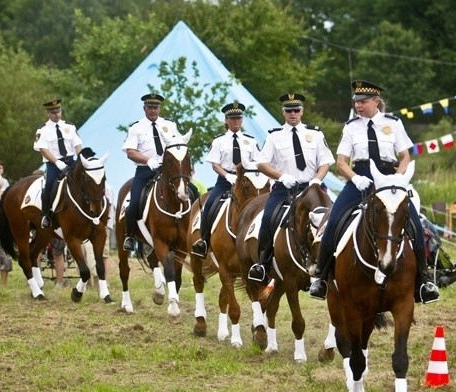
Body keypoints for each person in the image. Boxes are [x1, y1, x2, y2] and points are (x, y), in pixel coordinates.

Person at [308, 81, 439, 303]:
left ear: (376, 102)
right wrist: (355, 178)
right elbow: (341, 162)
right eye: (356, 102)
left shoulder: (394, 124)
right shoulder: (350, 127)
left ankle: (423, 281)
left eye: (363, 102)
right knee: (333, 222)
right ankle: (321, 277)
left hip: (389, 180)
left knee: (416, 225)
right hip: (359, 179)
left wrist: (398, 176)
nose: (359, 106)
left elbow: (405, 156)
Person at [248, 92, 334, 284]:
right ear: (283, 113)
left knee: (332, 219)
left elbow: (326, 162)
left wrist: (317, 180)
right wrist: (281, 176)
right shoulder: (274, 136)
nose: (293, 114)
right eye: (289, 111)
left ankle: (331, 263)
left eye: (296, 110)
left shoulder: (315, 134)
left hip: (312, 188)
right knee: (268, 217)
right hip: (284, 188)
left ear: (302, 112)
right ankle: (263, 263)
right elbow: (262, 163)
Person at [191, 101, 259, 258]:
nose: (236, 121)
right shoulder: (219, 141)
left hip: (247, 182)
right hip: (225, 180)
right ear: (226, 120)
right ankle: (204, 241)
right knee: (210, 205)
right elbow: (215, 164)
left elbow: (258, 162)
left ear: (242, 120)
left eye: (238, 118)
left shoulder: (251, 141)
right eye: (232, 118)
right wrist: (228, 175)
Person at [121, 92, 179, 252]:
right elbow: (130, 152)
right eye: (150, 107)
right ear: (144, 108)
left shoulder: (170, 125)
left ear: (160, 108)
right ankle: (130, 236)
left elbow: (179, 145)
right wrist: (148, 160)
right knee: (133, 204)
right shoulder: (136, 127)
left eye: (156, 107)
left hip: (168, 171)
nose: (153, 110)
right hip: (145, 170)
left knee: (190, 193)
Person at [35, 99, 83, 229]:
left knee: (86, 180)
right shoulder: (42, 130)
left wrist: (81, 158)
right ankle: (46, 215)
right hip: (53, 164)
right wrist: (57, 162)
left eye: (58, 111)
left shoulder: (69, 126)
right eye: (53, 112)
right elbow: (43, 150)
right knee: (49, 185)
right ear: (48, 113)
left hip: (71, 161)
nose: (56, 114)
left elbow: (77, 144)